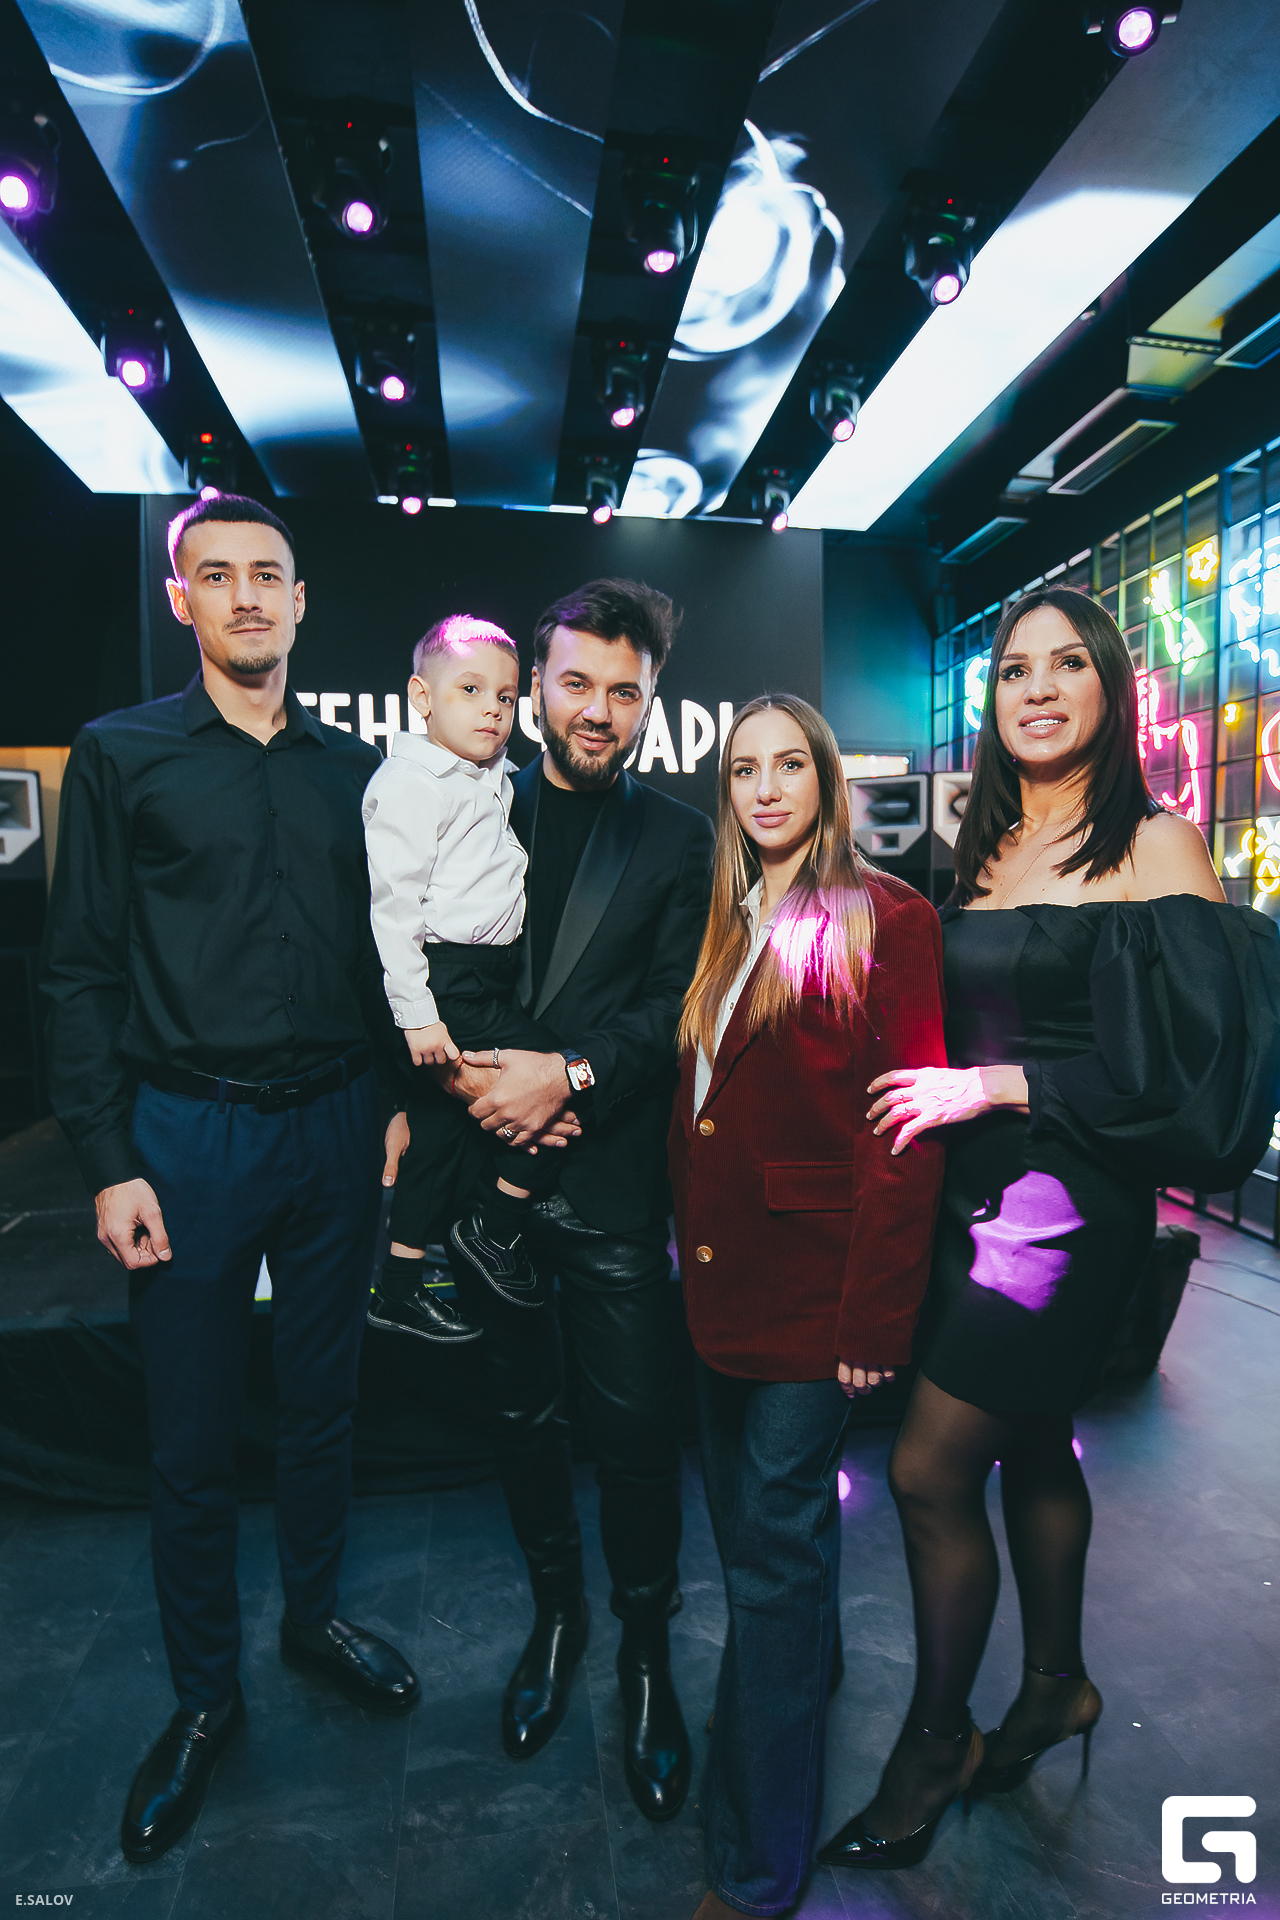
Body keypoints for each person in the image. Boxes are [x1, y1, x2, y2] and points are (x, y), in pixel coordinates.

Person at [819, 587, 1280, 1875]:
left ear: (1107, 687)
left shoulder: (1155, 843)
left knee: (926, 1471)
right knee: (1029, 1439)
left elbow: (1196, 1070)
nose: (1034, 688)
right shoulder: (981, 847)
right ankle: (1056, 1685)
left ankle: (932, 1745)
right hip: (967, 1192)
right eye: (1012, 669)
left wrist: (999, 1085)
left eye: (1064, 664)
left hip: (1067, 1207)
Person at [40, 494, 419, 1868]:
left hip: (336, 1129)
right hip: (186, 1139)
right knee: (191, 1440)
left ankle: (312, 1622)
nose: (248, 594)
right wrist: (108, 1164)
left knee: (323, 1408)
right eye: (219, 574)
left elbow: (387, 954)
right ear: (181, 598)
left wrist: (392, 1102)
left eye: (269, 573)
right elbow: (79, 972)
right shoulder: (120, 753)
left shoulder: (360, 771)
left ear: (301, 601)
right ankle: (205, 1698)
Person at [399, 577, 715, 1819]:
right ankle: (555, 1618)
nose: (596, 709)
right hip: (486, 1182)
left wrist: (567, 1076)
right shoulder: (462, 800)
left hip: (614, 1189)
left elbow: (670, 1007)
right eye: (575, 682)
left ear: (649, 701)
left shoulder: (679, 838)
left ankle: (642, 1651)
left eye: (622, 691)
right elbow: (417, 964)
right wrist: (494, 1088)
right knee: (520, 1420)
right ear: (533, 685)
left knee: (635, 1438)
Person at [668, 695, 948, 1920]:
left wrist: (872, 1323)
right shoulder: (727, 918)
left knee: (771, 1569)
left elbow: (904, 1134)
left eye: (790, 766)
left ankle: (754, 1870)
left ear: (827, 782)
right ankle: (787, 1699)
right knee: (758, 1546)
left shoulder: (889, 917)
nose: (766, 788)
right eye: (745, 770)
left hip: (815, 1300)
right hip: (719, 1288)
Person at [362, 613, 579, 1343]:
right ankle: (495, 1222)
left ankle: (398, 1287)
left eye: (506, 696)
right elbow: (392, 910)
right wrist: (418, 1015)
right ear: (422, 698)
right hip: (448, 980)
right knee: (557, 1075)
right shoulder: (411, 784)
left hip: (483, 976)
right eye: (471, 690)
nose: (493, 708)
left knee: (436, 1136)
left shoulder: (491, 777)